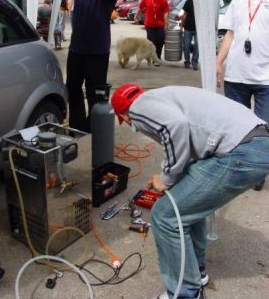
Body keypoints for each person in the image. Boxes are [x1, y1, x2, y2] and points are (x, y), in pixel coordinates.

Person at [111, 83, 269, 299]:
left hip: (241, 151)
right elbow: (191, 140)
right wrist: (175, 178)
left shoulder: (139, 107)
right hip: (256, 141)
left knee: (165, 217)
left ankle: (186, 293)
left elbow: (174, 126)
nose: (130, 123)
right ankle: (197, 272)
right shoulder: (163, 96)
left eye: (126, 120)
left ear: (124, 115)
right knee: (184, 208)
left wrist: (166, 179)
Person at [41, 0, 119, 132]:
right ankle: (78, 129)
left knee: (95, 94)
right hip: (77, 49)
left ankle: (95, 130)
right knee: (73, 91)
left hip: (97, 52)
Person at [216, 0, 269, 191]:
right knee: (235, 128)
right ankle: (237, 169)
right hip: (236, 75)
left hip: (265, 79)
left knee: (263, 131)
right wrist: (218, 62)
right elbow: (230, 33)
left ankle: (257, 173)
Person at [134, 0, 170, 65]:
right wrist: (136, 16)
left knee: (160, 41)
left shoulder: (162, 0)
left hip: (160, 24)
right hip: (149, 24)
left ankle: (157, 57)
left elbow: (166, 12)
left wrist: (166, 23)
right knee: (152, 42)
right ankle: (154, 59)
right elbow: (140, 8)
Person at [180, 0, 199, 70]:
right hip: (188, 28)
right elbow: (184, 14)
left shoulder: (202, 3)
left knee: (197, 45)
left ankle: (195, 62)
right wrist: (181, 26)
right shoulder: (189, 1)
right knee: (186, 46)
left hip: (198, 29)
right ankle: (187, 61)